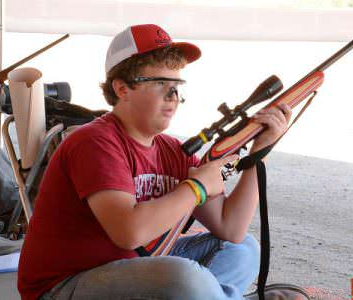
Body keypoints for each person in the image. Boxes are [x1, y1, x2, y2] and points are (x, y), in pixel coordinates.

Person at [17, 24, 292, 300]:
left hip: (136, 266)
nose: (173, 97)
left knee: (242, 247)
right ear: (122, 89)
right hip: (64, 285)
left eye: (176, 86)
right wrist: (196, 187)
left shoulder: (174, 150)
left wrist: (260, 151)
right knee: (182, 277)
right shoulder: (94, 142)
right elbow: (129, 232)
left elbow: (230, 227)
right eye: (161, 84)